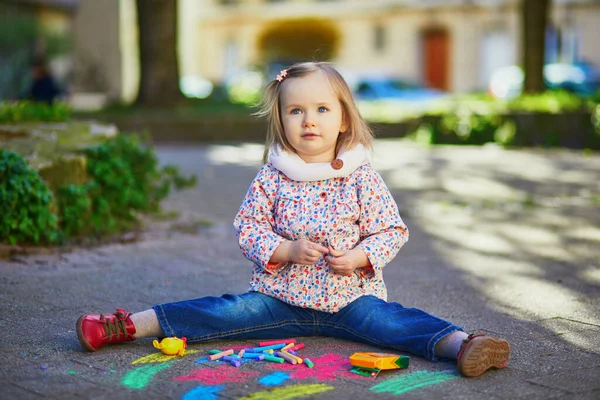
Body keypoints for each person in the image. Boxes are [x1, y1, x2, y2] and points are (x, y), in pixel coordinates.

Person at [76, 62, 510, 377]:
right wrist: (285, 250)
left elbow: (392, 230)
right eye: (296, 111)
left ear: (343, 119)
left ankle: (464, 345)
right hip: (278, 299)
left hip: (350, 302)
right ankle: (127, 324)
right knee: (219, 313)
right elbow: (247, 226)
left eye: (322, 109)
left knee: (396, 323)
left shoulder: (360, 177)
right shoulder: (273, 177)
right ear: (281, 121)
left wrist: (360, 256)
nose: (309, 120)